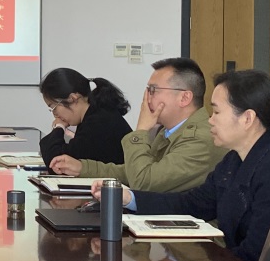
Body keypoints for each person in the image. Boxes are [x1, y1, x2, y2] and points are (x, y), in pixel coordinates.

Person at [92, 69, 270, 261]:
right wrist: (129, 198)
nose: (210, 120)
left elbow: (258, 255)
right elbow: (192, 204)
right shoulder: (235, 160)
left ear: (247, 118)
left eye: (216, 112)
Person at [50, 58, 227, 192]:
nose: (146, 97)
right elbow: (132, 172)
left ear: (184, 98)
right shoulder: (169, 131)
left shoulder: (200, 139)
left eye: (153, 90)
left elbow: (144, 182)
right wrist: (82, 168)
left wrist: (141, 130)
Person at [38, 68, 132, 168]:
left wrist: (59, 127)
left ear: (73, 98)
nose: (55, 115)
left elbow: (57, 163)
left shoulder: (97, 123)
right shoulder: (96, 114)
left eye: (54, 108)